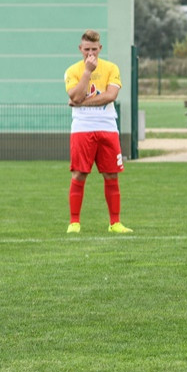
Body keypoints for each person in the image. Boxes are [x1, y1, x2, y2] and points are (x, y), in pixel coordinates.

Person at [64, 30, 132, 234]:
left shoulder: (111, 68)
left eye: (94, 49)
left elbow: (111, 96)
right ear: (80, 49)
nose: (91, 54)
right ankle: (74, 222)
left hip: (107, 127)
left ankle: (115, 223)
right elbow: (74, 94)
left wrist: (80, 102)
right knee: (79, 173)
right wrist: (87, 72)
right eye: (87, 50)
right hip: (82, 128)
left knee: (111, 175)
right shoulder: (73, 71)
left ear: (100, 48)